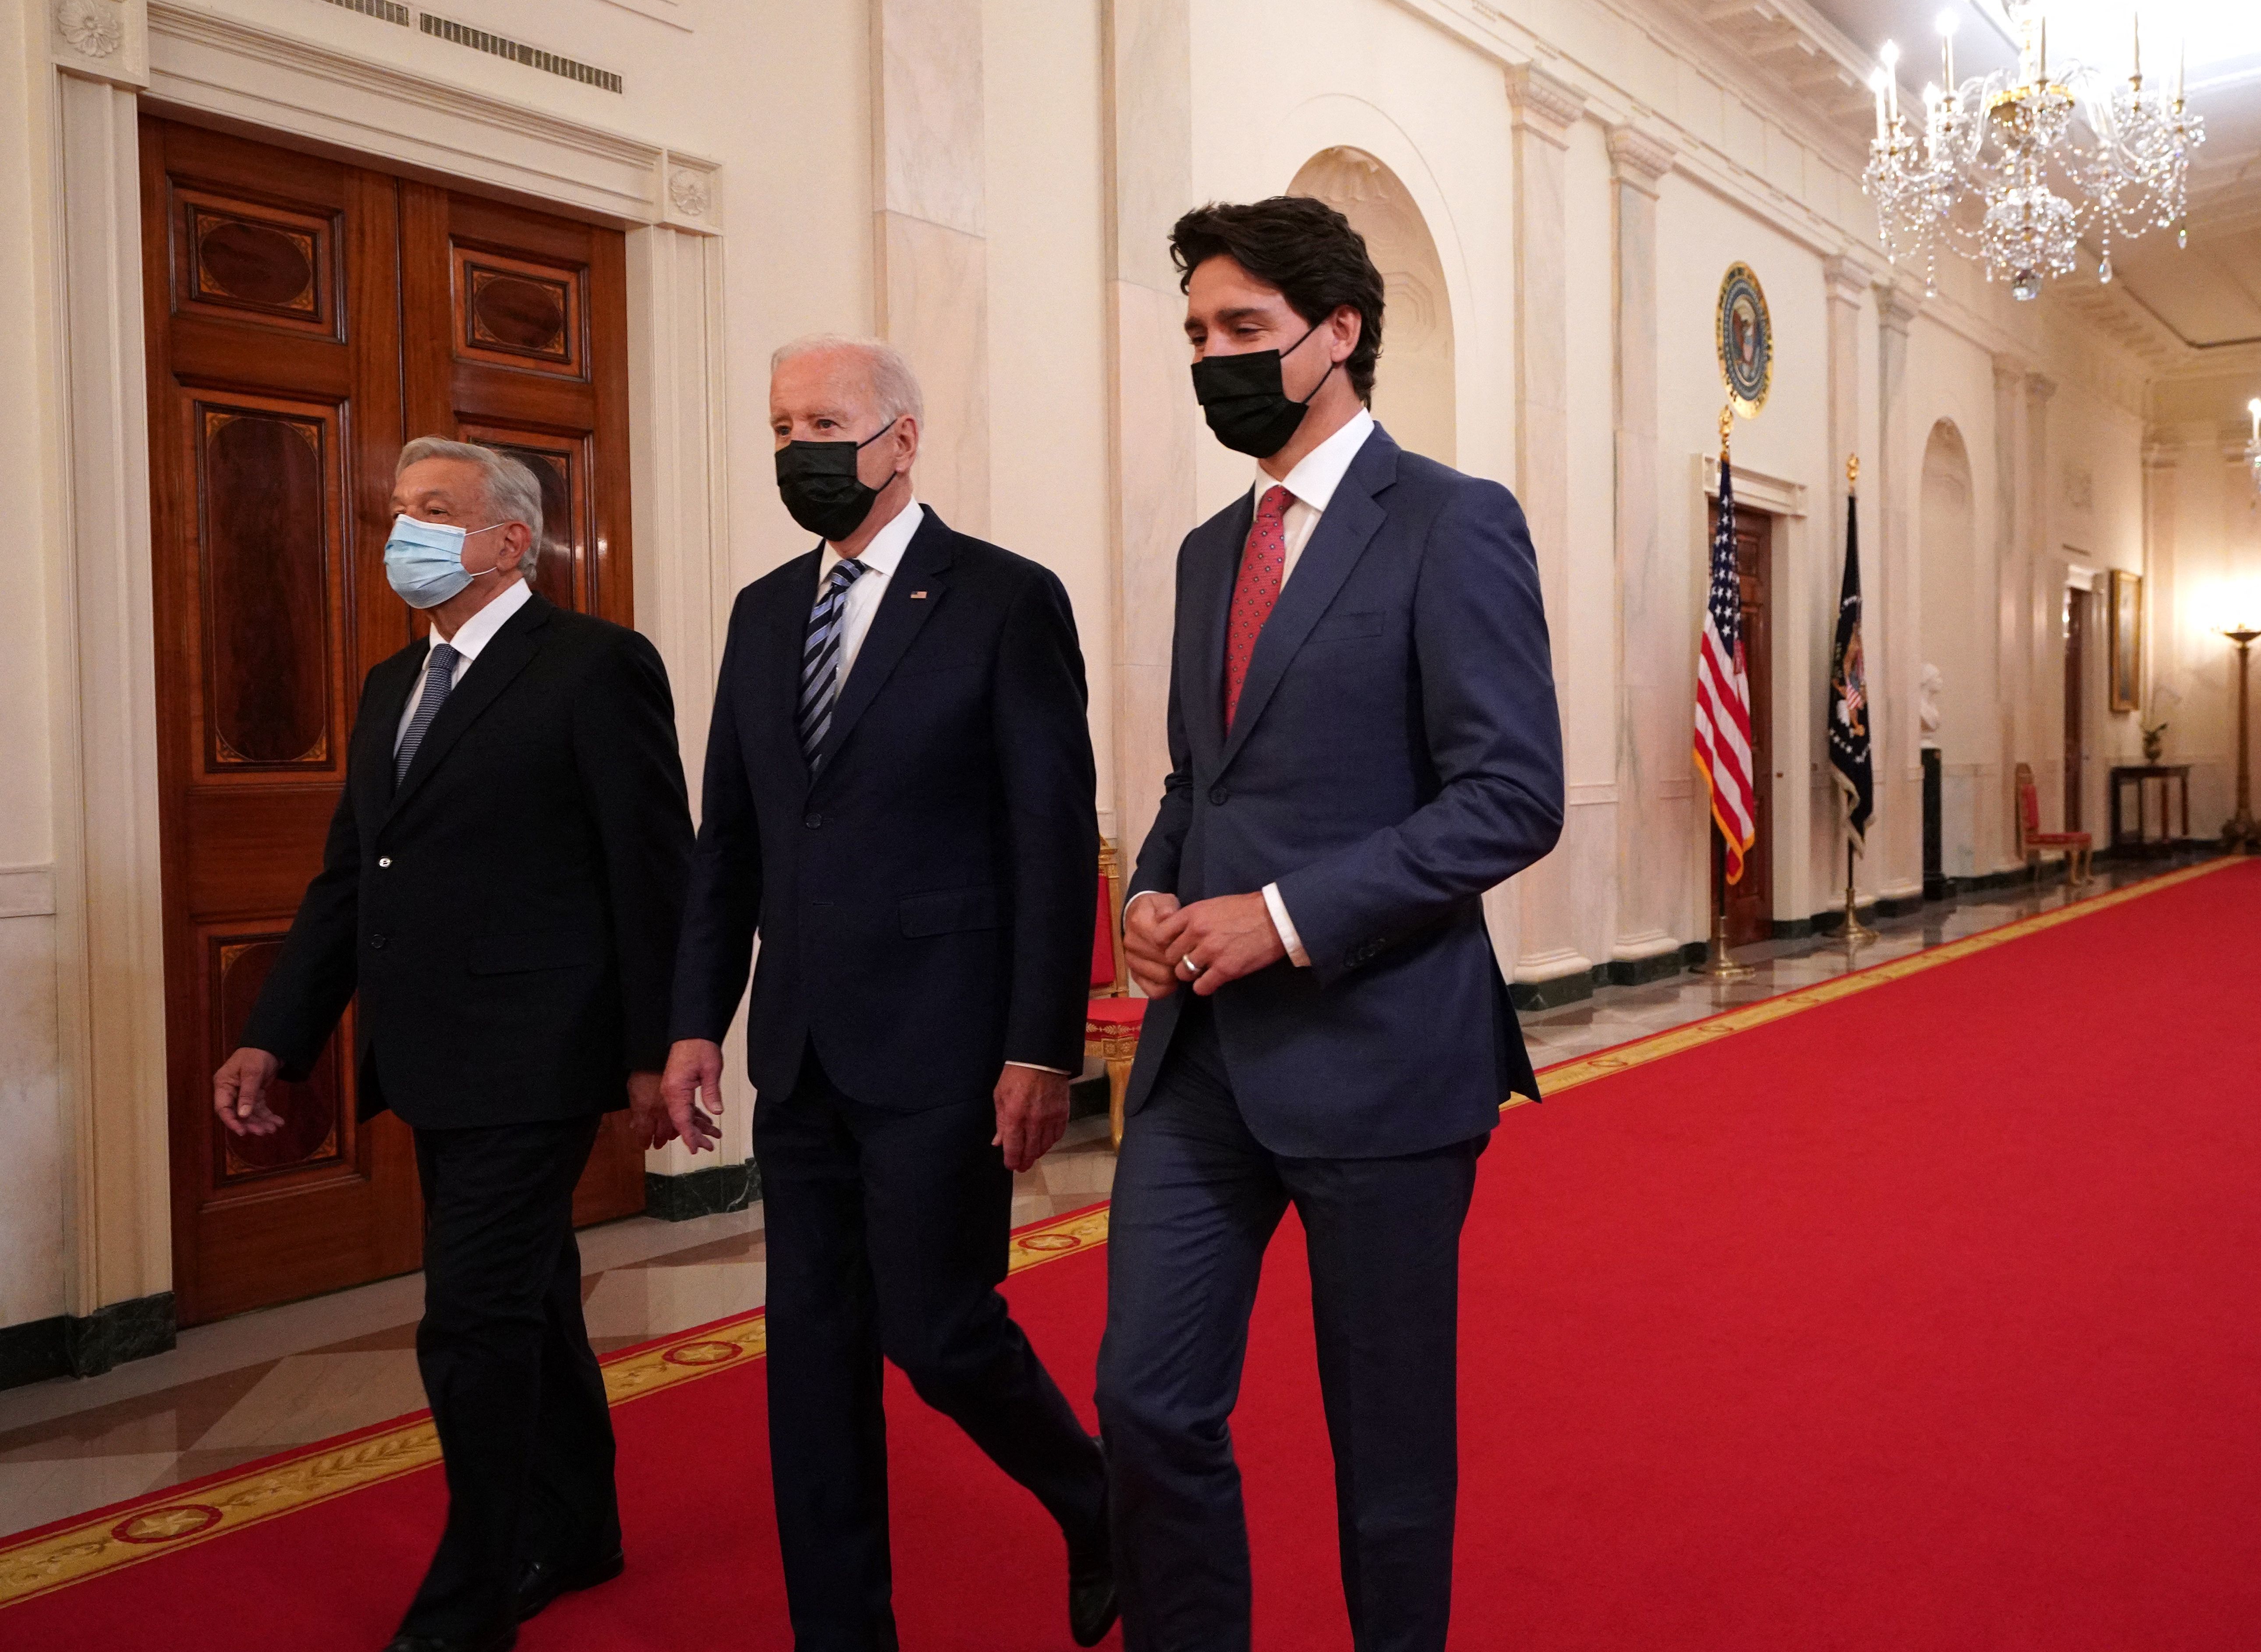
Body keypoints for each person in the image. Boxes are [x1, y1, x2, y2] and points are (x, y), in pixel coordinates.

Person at [1095, 197, 1565, 1652]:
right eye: (1196, 334)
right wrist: (1151, 893)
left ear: (1339, 333)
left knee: (1387, 1467)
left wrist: (1286, 919)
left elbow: (1513, 796)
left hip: (1382, 1056)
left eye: (1245, 330)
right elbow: (1198, 775)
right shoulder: (1199, 554)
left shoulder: (1452, 519)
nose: (1214, 357)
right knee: (1146, 1403)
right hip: (1203, 1065)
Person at [662, 336, 1116, 1650]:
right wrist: (702, 1018)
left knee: (940, 1330)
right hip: (798, 1052)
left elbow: (1050, 832)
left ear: (901, 440)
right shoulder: (761, 613)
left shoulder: (1000, 599)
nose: (800, 447)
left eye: (827, 421)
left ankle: (1093, 1499)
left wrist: (1042, 1044)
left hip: (944, 1045)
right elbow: (729, 842)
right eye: (781, 424)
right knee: (809, 1366)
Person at [213, 438, 695, 1652]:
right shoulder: (391, 683)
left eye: (434, 512)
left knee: (470, 1321)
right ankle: (579, 1526)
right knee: (532, 1300)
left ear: (510, 540)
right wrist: (276, 1038)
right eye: (397, 512)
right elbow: (347, 881)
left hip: (540, 1052)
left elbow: (652, 873)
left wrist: (659, 1048)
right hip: (426, 1057)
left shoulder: (594, 667)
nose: (402, 533)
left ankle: (475, 1590)